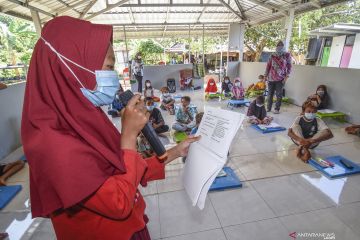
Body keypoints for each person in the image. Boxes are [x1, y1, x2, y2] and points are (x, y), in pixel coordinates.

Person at [21, 16, 200, 240]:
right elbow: (118, 202)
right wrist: (128, 136)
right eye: (108, 67)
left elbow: (122, 170)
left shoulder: (83, 118)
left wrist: (175, 151)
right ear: (71, 68)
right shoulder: (52, 144)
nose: (112, 76)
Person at [265, 41, 292, 114]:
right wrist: (265, 76)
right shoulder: (272, 55)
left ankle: (277, 109)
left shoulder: (287, 55)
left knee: (279, 95)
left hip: (281, 79)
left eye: (281, 45)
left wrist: (286, 77)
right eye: (278, 45)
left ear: (283, 46)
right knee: (270, 94)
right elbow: (268, 66)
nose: (279, 46)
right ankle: (268, 108)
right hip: (271, 78)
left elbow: (289, 67)